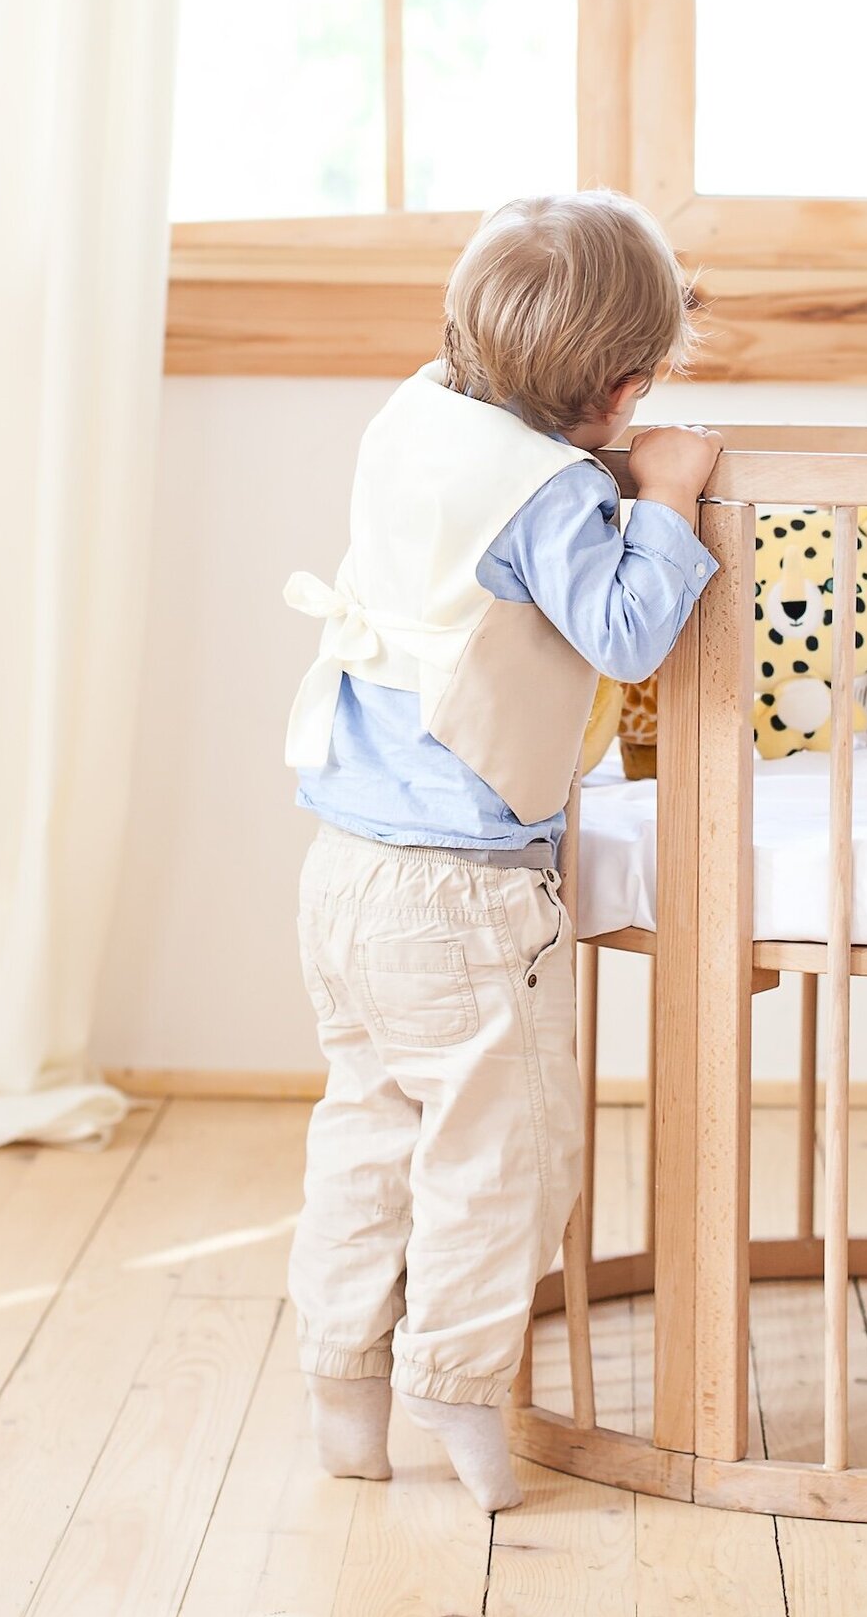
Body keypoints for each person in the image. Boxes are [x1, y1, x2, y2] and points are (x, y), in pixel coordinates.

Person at [282, 191, 723, 1511]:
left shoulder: (419, 416)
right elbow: (632, 630)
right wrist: (671, 493)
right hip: (462, 895)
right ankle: (461, 1391)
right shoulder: (546, 493)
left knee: (366, 1137)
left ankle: (343, 1390)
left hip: (344, 863)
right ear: (624, 389)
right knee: (498, 1162)